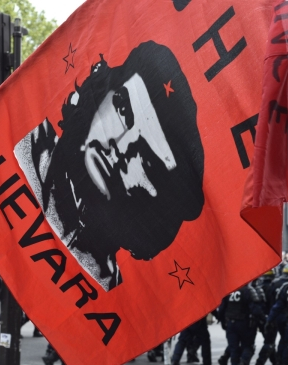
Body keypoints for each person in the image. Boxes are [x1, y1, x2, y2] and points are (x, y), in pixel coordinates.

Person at [16, 41, 205, 291]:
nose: (121, 145)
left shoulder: (106, 284)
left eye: (146, 154)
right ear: (102, 89)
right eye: (124, 109)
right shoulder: (24, 148)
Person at [217, 283, 265, 365]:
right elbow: (255, 309)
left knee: (233, 348)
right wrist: (263, 319)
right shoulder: (248, 291)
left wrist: (222, 320)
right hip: (244, 323)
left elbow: (222, 308)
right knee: (247, 346)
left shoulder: (229, 290)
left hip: (231, 323)